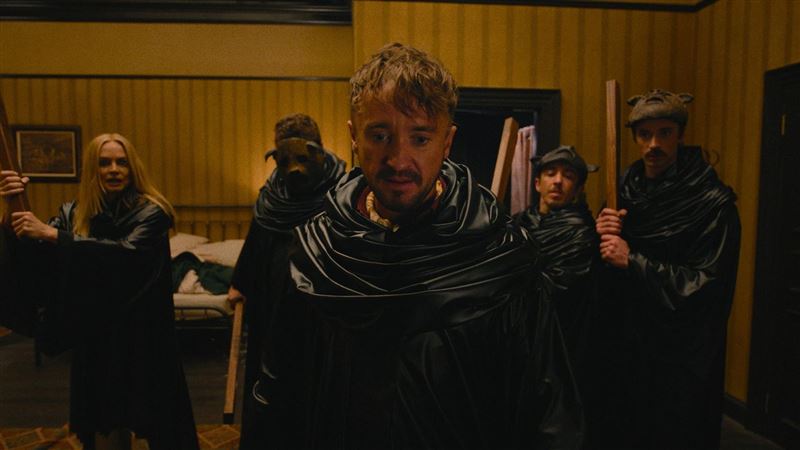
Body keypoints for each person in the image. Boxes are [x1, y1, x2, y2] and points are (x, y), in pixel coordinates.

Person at [252, 42, 581, 449]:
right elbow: (277, 395)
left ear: (447, 142)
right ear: (354, 137)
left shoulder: (502, 260)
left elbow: (549, 412)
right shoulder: (315, 254)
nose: (398, 160)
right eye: (380, 135)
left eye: (420, 138)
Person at [0, 133, 198, 450]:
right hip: (96, 334)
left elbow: (125, 254)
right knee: (104, 417)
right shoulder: (73, 213)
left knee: (151, 416)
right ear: (93, 169)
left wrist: (54, 235)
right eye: (104, 163)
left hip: (141, 333)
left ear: (133, 168)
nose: (114, 169)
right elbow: (39, 259)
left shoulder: (153, 212)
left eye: (122, 162)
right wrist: (12, 210)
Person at [595, 89, 741, 449]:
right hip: (630, 343)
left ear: (681, 135)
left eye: (665, 133)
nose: (654, 145)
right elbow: (605, 268)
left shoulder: (710, 202)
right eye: (645, 134)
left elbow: (707, 284)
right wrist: (600, 232)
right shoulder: (623, 191)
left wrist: (634, 260)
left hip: (681, 351)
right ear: (634, 138)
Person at [227, 113, 346, 449]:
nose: (295, 169)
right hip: (272, 306)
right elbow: (257, 240)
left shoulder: (342, 194)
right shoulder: (271, 196)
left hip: (319, 312)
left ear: (319, 152)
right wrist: (240, 283)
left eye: (304, 158)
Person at [514, 145, 599, 384]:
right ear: (537, 183)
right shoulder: (518, 223)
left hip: (558, 337)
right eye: (551, 173)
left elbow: (560, 287)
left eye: (568, 176)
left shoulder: (581, 232)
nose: (558, 181)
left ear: (578, 189)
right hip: (515, 337)